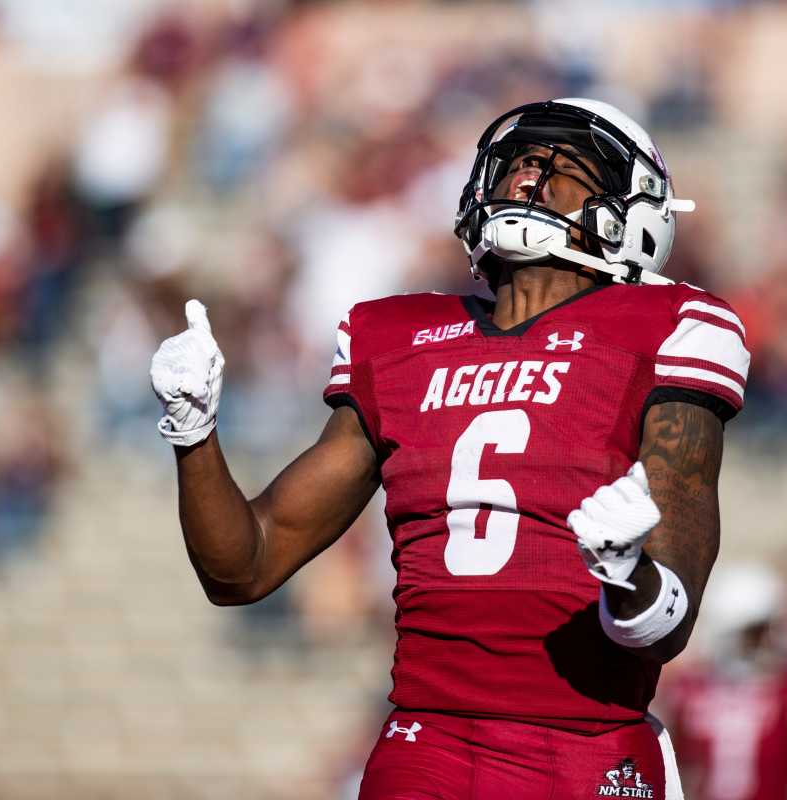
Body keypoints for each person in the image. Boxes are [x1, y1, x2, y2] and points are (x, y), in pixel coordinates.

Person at [150, 98, 751, 798]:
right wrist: (193, 434)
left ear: (635, 213)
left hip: (585, 743)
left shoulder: (667, 324)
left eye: (569, 166)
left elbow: (666, 622)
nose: (533, 174)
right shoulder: (397, 334)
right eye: (521, 159)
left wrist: (628, 575)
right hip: (425, 743)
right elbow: (242, 567)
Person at [665, 563, 787, 800]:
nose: (770, 640)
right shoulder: (690, 689)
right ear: (725, 632)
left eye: (772, 628)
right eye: (757, 632)